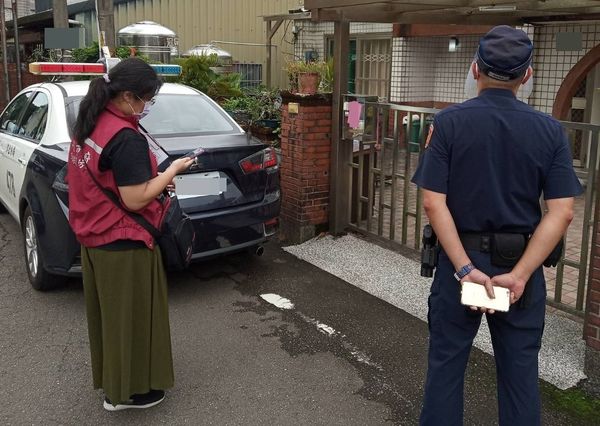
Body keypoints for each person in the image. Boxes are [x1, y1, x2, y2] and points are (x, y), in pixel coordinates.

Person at [412, 26, 582, 425]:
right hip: (519, 266)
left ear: (475, 69)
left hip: (460, 263)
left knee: (446, 367)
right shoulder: (550, 131)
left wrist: (466, 269)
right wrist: (521, 276)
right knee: (520, 374)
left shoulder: (448, 123)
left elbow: (433, 203)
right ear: (528, 75)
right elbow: (563, 212)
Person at [67, 58, 194, 411]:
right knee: (133, 319)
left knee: (112, 319)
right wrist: (173, 171)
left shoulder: (91, 123)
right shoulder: (125, 138)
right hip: (123, 240)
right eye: (146, 99)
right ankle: (126, 393)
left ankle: (116, 383)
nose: (147, 106)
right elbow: (135, 198)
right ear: (126, 96)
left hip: (96, 237)